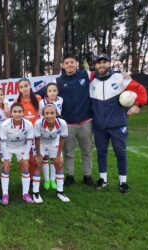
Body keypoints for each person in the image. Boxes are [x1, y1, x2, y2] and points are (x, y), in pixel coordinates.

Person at [90, 54, 148, 193]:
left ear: (109, 64)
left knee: (120, 153)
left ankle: (123, 182)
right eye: (99, 63)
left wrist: (138, 105)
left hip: (118, 125)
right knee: (101, 153)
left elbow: (141, 90)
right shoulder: (90, 81)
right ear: (95, 66)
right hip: (99, 126)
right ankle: (103, 180)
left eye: (104, 62)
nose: (101, 65)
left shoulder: (120, 78)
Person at [55, 55, 95, 187]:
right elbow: (43, 92)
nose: (69, 64)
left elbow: (102, 75)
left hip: (85, 121)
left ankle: (87, 175)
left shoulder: (85, 75)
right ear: (63, 66)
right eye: (66, 63)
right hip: (68, 124)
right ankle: (70, 175)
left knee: (87, 151)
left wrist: (121, 76)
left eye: (72, 62)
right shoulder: (58, 81)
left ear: (77, 64)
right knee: (68, 152)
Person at [34, 104, 70, 202]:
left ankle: (60, 191)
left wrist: (58, 156)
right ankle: (36, 193)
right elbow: (37, 139)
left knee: (58, 164)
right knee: (38, 164)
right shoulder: (38, 123)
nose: (49, 115)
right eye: (47, 113)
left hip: (55, 143)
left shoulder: (62, 123)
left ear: (56, 113)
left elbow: (62, 139)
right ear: (43, 114)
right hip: (41, 144)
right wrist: (38, 155)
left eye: (52, 113)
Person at [0, 103, 34, 205]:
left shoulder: (28, 124)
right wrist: (6, 158)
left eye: (20, 112)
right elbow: (2, 142)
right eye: (15, 112)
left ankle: (25, 193)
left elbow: (29, 141)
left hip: (22, 147)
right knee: (5, 167)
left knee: (25, 166)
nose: (17, 114)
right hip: (7, 147)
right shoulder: (5, 125)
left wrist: (26, 156)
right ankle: (5, 194)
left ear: (23, 113)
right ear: (11, 113)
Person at [38, 83, 63, 190]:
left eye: (54, 90)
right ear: (46, 92)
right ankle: (47, 180)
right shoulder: (42, 102)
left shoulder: (60, 100)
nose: (52, 93)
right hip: (44, 132)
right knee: (45, 158)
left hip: (56, 132)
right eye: (50, 91)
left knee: (54, 159)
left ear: (57, 91)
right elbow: (40, 115)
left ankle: (53, 180)